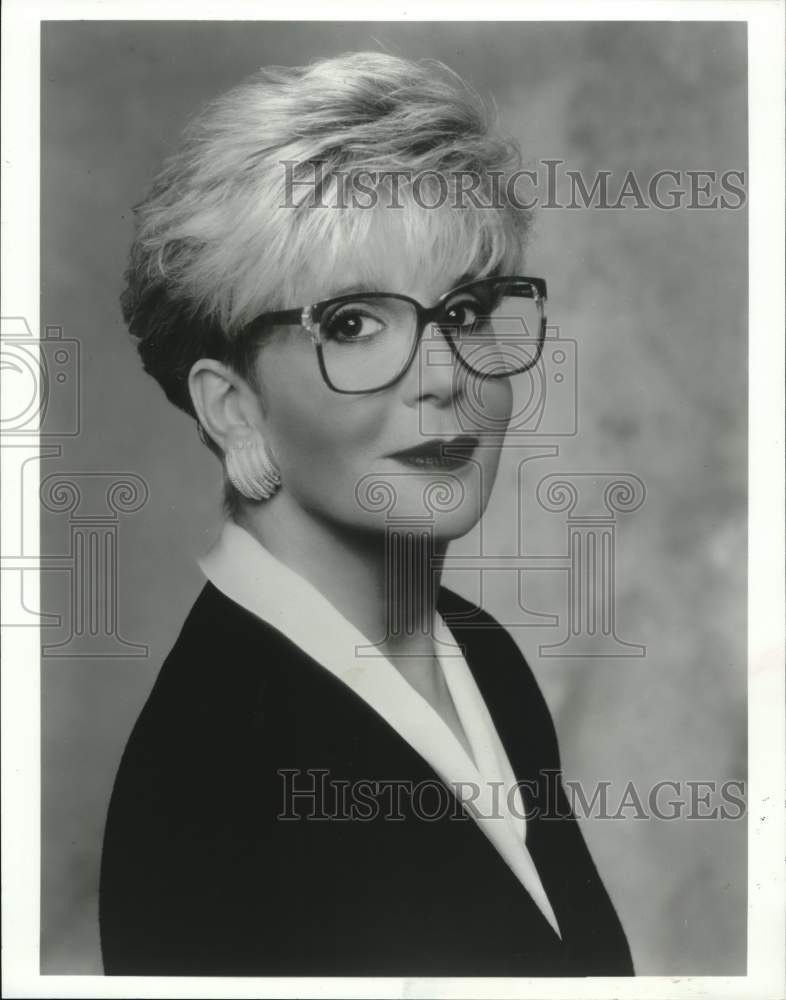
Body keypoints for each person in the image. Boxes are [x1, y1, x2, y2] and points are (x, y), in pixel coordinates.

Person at [99, 51, 633, 977]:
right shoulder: (206, 776)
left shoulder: (483, 654)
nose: (443, 375)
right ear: (233, 407)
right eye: (351, 323)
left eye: (463, 311)